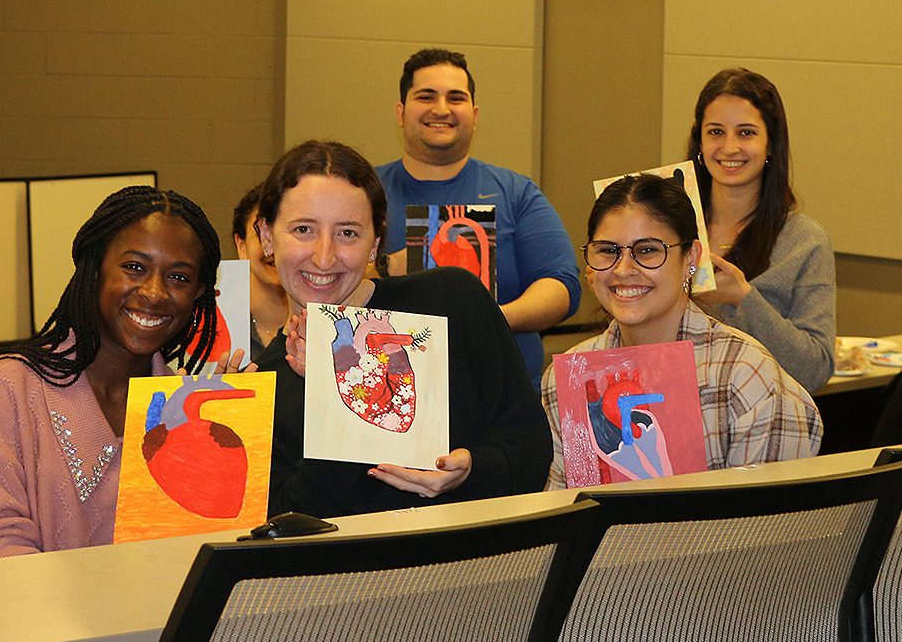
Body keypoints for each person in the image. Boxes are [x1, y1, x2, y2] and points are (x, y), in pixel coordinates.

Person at [254, 140, 551, 518]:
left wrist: (473, 470)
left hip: (478, 565)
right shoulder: (264, 381)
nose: (324, 256)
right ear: (266, 236)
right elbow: (289, 522)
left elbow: (530, 449)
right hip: (353, 576)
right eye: (303, 229)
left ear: (375, 242)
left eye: (348, 233)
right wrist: (334, 392)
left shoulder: (449, 301)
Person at [0, 186, 234, 562]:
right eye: (134, 268)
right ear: (93, 270)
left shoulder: (185, 408)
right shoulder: (4, 388)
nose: (155, 292)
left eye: (178, 277)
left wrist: (222, 437)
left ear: (199, 294)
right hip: (32, 619)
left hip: (162, 621)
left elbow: (196, 554)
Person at [543, 174, 821, 490]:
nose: (623, 269)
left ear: (690, 258)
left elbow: (762, 523)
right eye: (607, 250)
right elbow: (565, 509)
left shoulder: (742, 374)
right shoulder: (569, 376)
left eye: (647, 250)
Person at [377, 48, 581, 390]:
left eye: (455, 98)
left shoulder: (516, 193)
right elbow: (326, 275)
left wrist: (492, 318)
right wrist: (387, 267)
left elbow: (563, 286)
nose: (441, 109)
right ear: (401, 112)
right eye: (426, 96)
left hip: (501, 395)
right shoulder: (361, 191)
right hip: (391, 392)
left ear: (474, 114)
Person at [687, 68, 835, 393]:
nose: (728, 147)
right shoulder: (668, 229)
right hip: (666, 418)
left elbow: (815, 369)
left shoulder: (804, 241)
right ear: (699, 141)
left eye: (746, 133)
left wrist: (743, 298)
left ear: (771, 144)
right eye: (715, 132)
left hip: (763, 428)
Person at [233, 184, 289, 359]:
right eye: (262, 234)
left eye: (294, 232)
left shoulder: (333, 324)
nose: (274, 249)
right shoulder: (215, 327)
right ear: (241, 246)